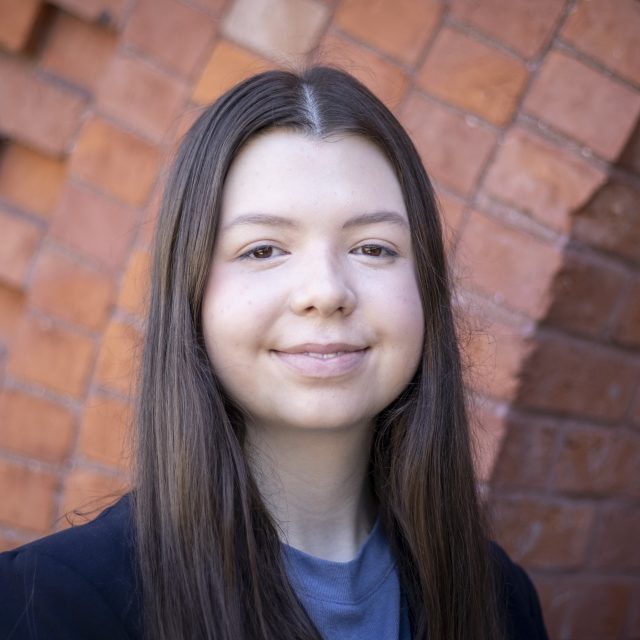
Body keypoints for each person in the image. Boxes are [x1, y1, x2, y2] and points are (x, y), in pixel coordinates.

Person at [0, 66, 548, 640]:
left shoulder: (501, 601)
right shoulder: (51, 607)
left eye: (373, 248)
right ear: (191, 297)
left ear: (427, 290)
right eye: (263, 249)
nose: (326, 292)